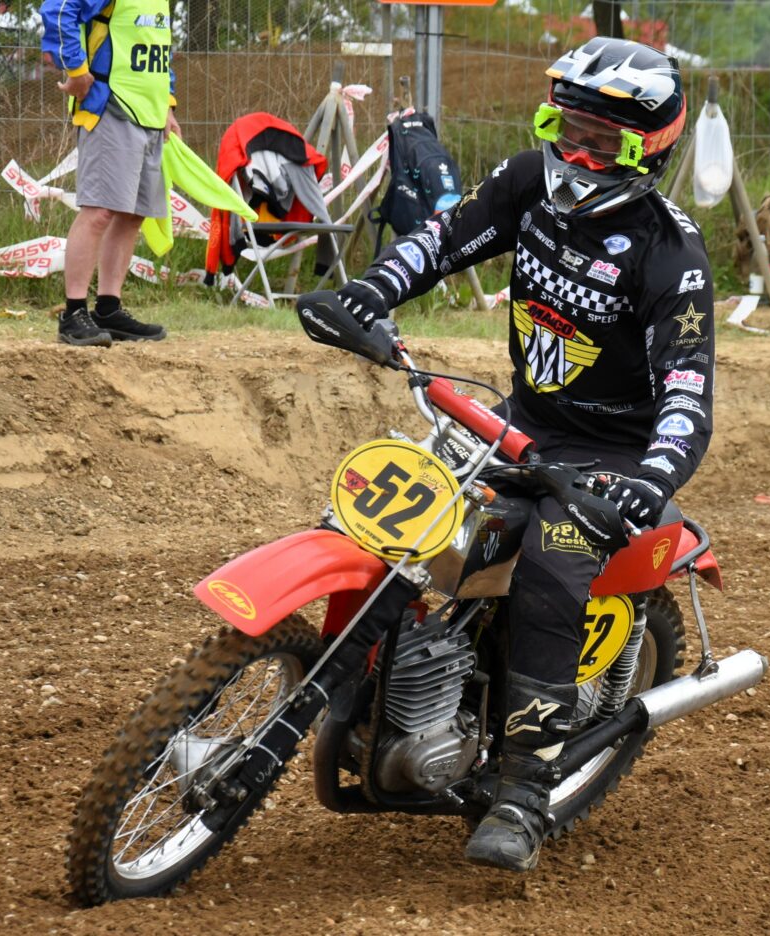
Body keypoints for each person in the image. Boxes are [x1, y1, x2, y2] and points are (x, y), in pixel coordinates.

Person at [304, 37, 715, 873]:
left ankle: (523, 792)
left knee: (548, 575)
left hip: (608, 459)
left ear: (648, 151)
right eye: (567, 130)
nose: (577, 155)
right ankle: (360, 687)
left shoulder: (669, 253)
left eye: (603, 144)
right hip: (518, 423)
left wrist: (651, 479)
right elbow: (440, 238)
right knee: (396, 524)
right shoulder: (527, 181)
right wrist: (370, 293)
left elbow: (686, 390)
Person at [40, 0, 173, 346]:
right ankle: (73, 314)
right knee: (99, 211)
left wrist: (168, 101)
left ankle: (108, 310)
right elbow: (58, 9)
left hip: (150, 114)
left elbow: (157, 44)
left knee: (133, 214)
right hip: (111, 107)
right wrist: (76, 69)